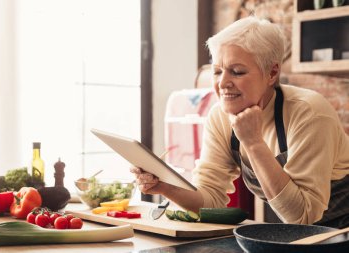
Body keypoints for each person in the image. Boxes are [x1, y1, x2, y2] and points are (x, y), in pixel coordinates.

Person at [130, 16, 349, 228]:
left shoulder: (309, 114)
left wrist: (253, 143)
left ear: (272, 73)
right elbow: (210, 200)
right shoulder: (220, 117)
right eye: (217, 71)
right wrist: (165, 187)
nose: (223, 83)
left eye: (237, 72)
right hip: (297, 231)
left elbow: (303, 216)